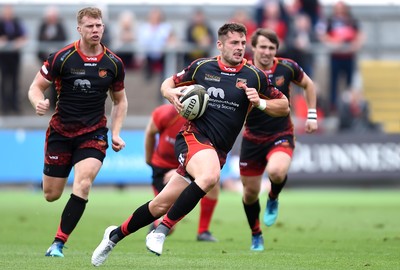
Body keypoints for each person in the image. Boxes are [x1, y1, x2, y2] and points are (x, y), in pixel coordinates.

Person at [91, 22, 289, 266]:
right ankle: (161, 231)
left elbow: (284, 106)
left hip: (218, 150)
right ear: (220, 44)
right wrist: (169, 94)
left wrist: (260, 103)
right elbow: (168, 83)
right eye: (233, 43)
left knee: (160, 204)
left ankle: (114, 235)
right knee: (209, 177)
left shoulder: (254, 76)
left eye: (242, 43)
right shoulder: (202, 67)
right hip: (192, 139)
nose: (240, 48)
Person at [27, 7, 128, 258]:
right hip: (61, 132)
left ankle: (58, 243)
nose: (96, 30)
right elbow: (35, 88)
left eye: (99, 25)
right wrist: (37, 101)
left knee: (83, 184)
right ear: (79, 29)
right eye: (90, 26)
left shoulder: (113, 63)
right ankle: (53, 177)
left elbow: (120, 101)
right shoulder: (62, 57)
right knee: (51, 194)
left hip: (93, 133)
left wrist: (115, 133)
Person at [239, 28, 318, 251]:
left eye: (271, 48)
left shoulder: (287, 67)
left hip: (280, 134)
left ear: (276, 50)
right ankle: (256, 234)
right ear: (253, 47)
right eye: (262, 47)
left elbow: (309, 85)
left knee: (276, 172)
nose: (267, 52)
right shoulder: (243, 69)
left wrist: (311, 115)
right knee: (250, 193)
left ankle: (273, 196)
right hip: (252, 137)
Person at [145, 103, 219, 241]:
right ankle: (154, 223)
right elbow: (150, 133)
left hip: (187, 166)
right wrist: (149, 161)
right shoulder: (165, 114)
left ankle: (203, 231)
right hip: (163, 170)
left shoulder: (206, 120)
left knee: (214, 183)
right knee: (169, 226)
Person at [318, 0, 365, 113]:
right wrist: (334, 42)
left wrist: (356, 44)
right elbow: (322, 35)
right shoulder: (329, 21)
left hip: (349, 56)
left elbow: (360, 35)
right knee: (333, 83)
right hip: (336, 56)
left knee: (350, 83)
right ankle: (333, 106)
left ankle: (349, 106)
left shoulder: (352, 21)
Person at [36, 5, 68, 110]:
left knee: (56, 82)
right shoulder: (43, 26)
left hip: (57, 60)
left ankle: (55, 104)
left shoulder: (60, 26)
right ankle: (43, 103)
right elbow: (39, 40)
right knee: (44, 81)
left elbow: (63, 39)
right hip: (45, 59)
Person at [0, 4, 27, 115]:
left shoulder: (17, 22)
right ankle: (5, 106)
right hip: (3, 58)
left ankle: (15, 106)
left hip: (15, 57)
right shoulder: (1, 23)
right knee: (4, 81)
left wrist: (18, 42)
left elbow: (24, 36)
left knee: (15, 81)